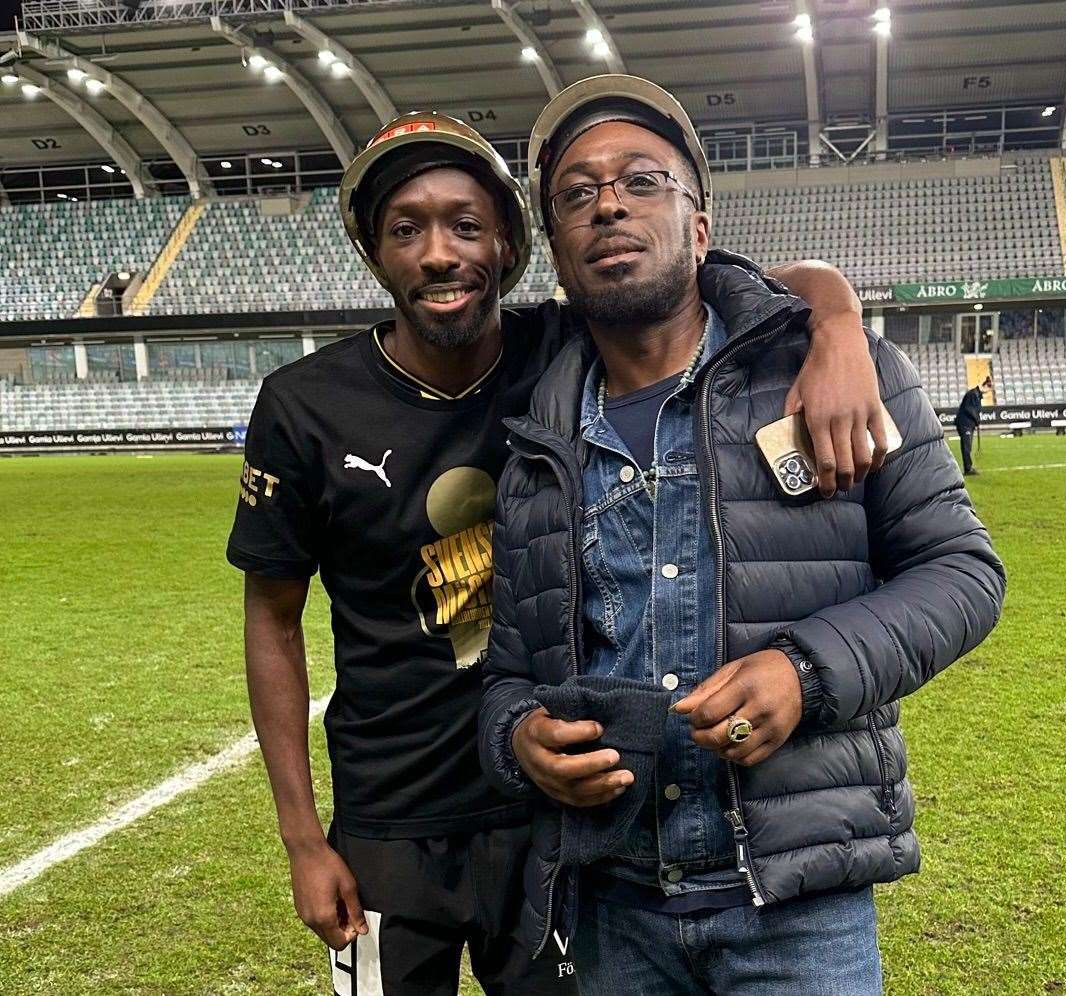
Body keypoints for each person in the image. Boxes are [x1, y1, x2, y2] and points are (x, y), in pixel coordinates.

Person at [227, 110, 884, 996]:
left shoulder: (564, 350)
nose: (437, 255)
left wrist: (837, 322)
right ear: (373, 253)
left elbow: (725, 279)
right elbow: (271, 620)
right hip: (388, 816)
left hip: (551, 817)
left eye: (465, 225)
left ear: (506, 244)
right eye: (405, 230)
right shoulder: (303, 404)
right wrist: (306, 841)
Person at [480, 76, 1007, 995]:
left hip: (797, 906)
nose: (607, 202)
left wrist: (805, 672)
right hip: (611, 910)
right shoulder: (535, 445)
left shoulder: (835, 372)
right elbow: (506, 669)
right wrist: (517, 736)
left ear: (699, 224)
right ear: (557, 256)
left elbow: (962, 572)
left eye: (643, 180)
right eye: (575, 193)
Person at [955, 374, 992, 475]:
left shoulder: (977, 395)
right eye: (988, 390)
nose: (987, 393)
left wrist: (976, 420)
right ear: (985, 386)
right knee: (966, 446)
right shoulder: (973, 394)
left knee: (968, 446)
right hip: (964, 423)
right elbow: (969, 409)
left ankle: (969, 467)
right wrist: (977, 420)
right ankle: (968, 469)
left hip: (968, 423)